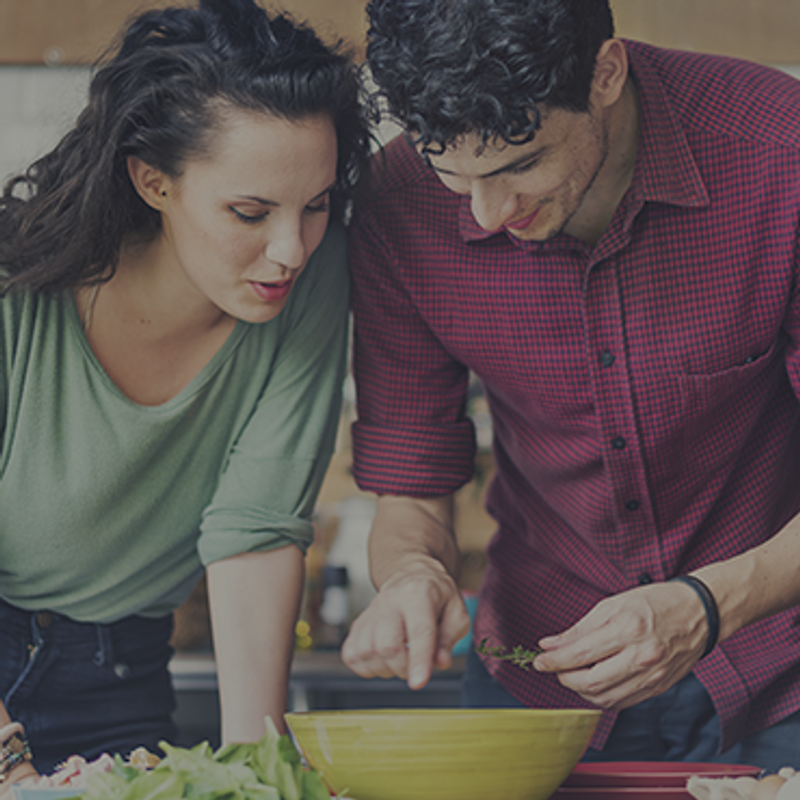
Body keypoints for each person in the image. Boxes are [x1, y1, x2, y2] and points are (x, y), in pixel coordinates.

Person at [341, 0, 800, 772]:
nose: (490, 211)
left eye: (521, 164)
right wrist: (414, 574)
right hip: (538, 678)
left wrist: (710, 602)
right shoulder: (396, 206)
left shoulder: (779, 152)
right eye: (453, 173)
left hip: (779, 664)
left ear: (607, 72)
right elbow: (411, 483)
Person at [0, 0, 370, 787]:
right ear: (153, 182)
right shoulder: (14, 298)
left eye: (315, 206)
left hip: (120, 676)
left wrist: (257, 773)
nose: (289, 250)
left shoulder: (309, 275)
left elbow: (257, 530)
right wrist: (10, 770)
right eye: (249, 211)